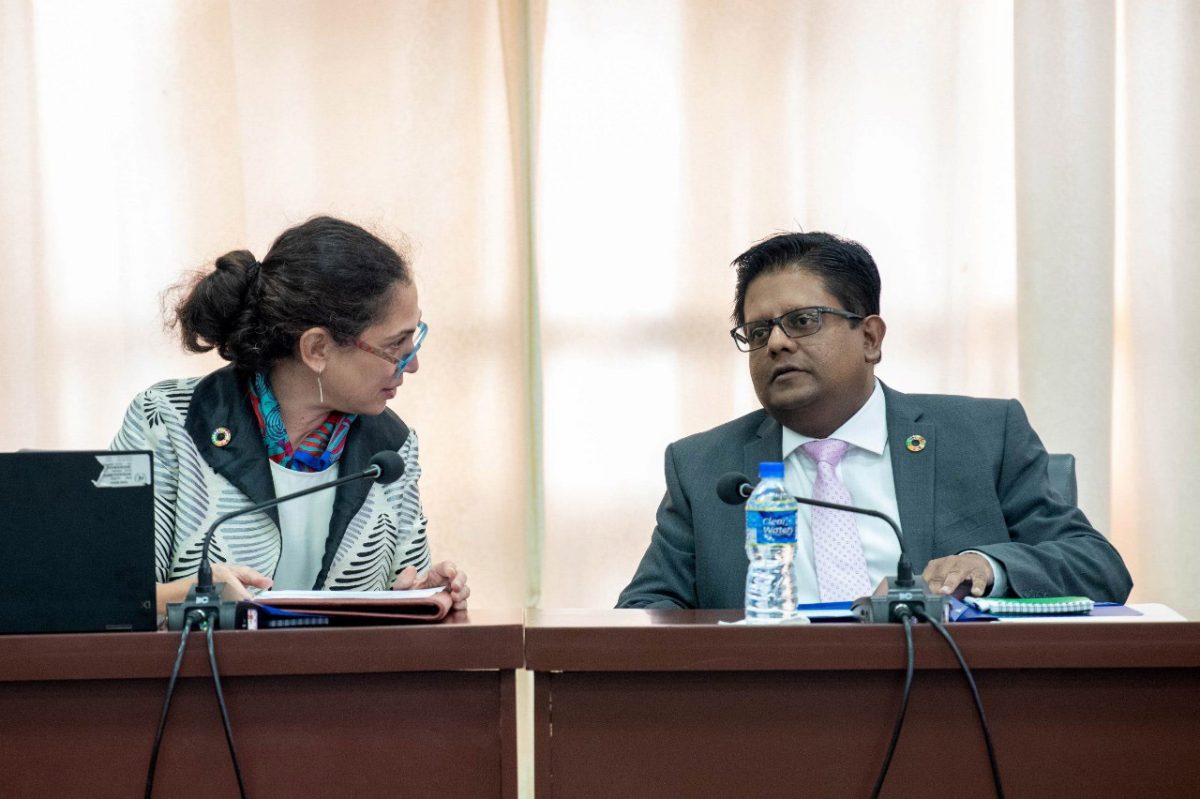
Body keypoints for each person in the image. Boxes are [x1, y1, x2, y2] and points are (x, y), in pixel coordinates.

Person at [618, 231, 1132, 609]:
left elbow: (1098, 566)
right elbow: (646, 611)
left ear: (870, 338)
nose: (775, 342)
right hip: (771, 717)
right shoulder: (706, 468)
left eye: (802, 321)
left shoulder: (982, 436)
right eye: (757, 332)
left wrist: (988, 566)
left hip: (953, 709)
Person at [112, 216, 469, 616]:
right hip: (198, 676)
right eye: (397, 345)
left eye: (415, 337)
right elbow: (110, 597)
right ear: (317, 348)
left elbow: (399, 595)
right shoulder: (169, 422)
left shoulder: (391, 448)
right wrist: (195, 592)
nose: (414, 363)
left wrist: (419, 594)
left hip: (335, 679)